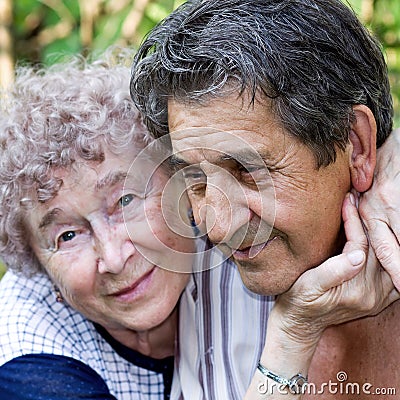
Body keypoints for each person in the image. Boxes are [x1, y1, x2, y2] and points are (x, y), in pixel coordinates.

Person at [131, 0, 400, 397]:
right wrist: (294, 330)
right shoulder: (188, 277)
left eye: (248, 171)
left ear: (355, 144)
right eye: (195, 179)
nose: (218, 226)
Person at [0, 53, 278, 399]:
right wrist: (291, 344)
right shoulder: (31, 360)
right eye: (67, 236)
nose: (114, 258)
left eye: (125, 201)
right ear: (39, 267)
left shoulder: (232, 227)